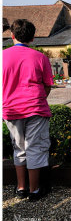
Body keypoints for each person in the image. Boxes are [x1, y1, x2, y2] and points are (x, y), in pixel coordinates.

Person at [3, 19, 53, 201]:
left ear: (12, 35)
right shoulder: (40, 57)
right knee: (35, 148)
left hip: (11, 109)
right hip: (35, 108)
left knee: (18, 147)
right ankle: (34, 189)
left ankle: (21, 187)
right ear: (32, 38)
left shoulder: (2, 56)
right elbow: (47, 85)